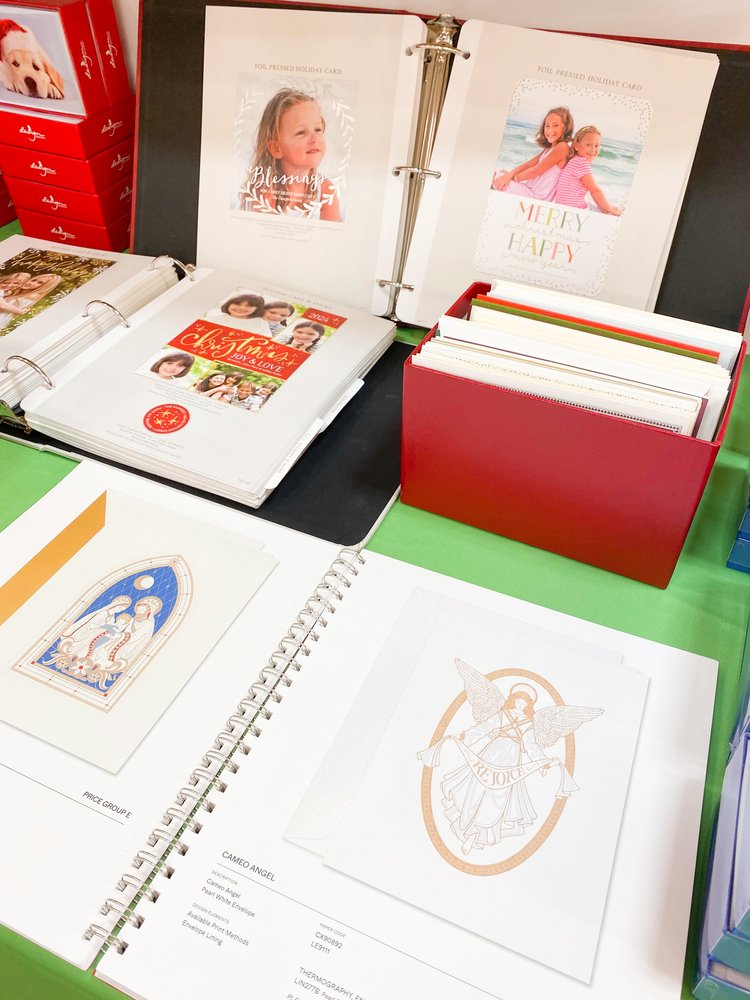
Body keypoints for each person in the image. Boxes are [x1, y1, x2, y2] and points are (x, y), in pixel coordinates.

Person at [240, 88, 341, 221]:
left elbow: (331, 232)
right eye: (301, 132)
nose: (314, 138)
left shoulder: (326, 190)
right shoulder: (266, 191)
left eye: (318, 129)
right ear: (276, 149)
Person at [491, 107, 573, 202]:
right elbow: (528, 165)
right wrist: (509, 175)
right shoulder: (549, 149)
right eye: (547, 126)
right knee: (497, 174)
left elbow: (536, 171)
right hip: (528, 190)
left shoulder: (562, 147)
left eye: (555, 125)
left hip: (537, 197)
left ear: (565, 128)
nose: (550, 130)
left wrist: (512, 177)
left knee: (496, 178)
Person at [554, 125, 622, 215]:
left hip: (563, 207)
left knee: (605, 208)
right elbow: (595, 191)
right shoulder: (581, 163)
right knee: (614, 213)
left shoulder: (574, 160)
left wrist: (605, 208)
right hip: (575, 210)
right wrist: (610, 209)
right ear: (577, 146)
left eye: (596, 145)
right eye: (588, 145)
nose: (593, 149)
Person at [205, 293, 271, 334]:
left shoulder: (261, 323)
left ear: (257, 308)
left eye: (248, 306)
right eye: (237, 304)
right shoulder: (213, 319)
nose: (241, 308)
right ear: (228, 304)